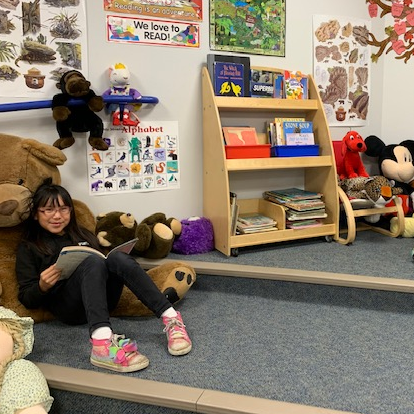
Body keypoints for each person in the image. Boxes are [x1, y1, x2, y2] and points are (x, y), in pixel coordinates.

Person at [15, 179, 192, 373]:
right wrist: (42, 285)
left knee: (117, 257)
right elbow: (26, 298)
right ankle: (101, 344)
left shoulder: (82, 234)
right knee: (92, 262)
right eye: (48, 210)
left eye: (64, 209)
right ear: (35, 214)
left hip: (103, 302)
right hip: (69, 309)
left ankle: (172, 320)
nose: (57, 216)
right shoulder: (28, 247)